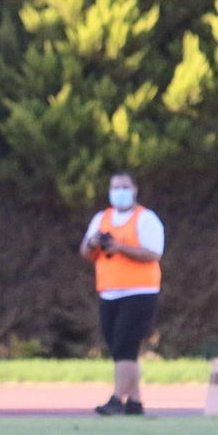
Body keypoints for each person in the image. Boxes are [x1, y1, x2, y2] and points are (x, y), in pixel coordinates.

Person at [80, 172, 165, 415]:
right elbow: (85, 251)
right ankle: (135, 401)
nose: (119, 192)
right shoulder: (101, 218)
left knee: (125, 345)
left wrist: (120, 247)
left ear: (135, 189)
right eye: (115, 187)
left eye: (124, 187)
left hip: (139, 291)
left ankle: (117, 398)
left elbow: (153, 253)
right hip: (108, 291)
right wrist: (93, 243)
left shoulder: (146, 219)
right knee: (118, 348)